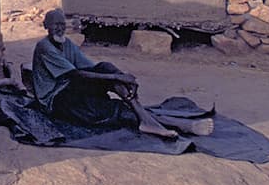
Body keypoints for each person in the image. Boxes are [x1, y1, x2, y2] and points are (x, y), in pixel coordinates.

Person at [32, 9, 212, 138]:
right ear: (46, 26)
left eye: (62, 25)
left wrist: (123, 79)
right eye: (55, 25)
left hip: (71, 88)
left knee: (106, 66)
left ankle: (145, 118)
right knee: (115, 109)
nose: (60, 28)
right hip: (57, 98)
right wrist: (118, 78)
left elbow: (92, 68)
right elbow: (75, 75)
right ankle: (179, 124)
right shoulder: (44, 47)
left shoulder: (67, 43)